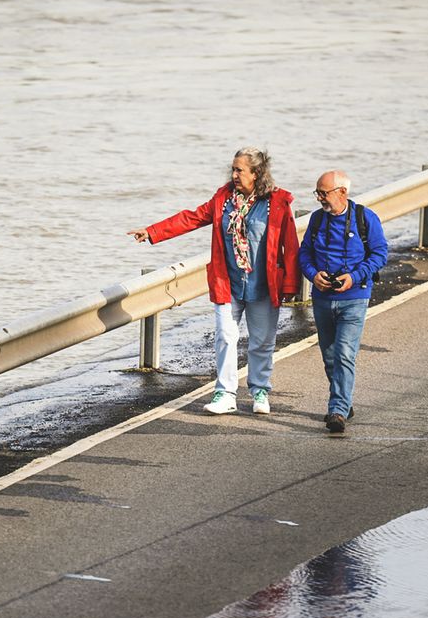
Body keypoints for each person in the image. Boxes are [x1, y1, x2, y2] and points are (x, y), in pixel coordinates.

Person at [127, 147, 299, 415]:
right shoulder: (223, 199)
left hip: (264, 285)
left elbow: (291, 245)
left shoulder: (277, 202)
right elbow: (191, 218)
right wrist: (152, 232)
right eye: (233, 169)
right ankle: (225, 393)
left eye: (239, 170)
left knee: (262, 341)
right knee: (226, 337)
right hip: (227, 282)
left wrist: (290, 285)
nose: (234, 174)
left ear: (256, 173)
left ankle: (260, 390)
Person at [298, 170, 388, 433]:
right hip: (322, 298)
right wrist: (314, 276)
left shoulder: (365, 218)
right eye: (318, 193)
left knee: (345, 354)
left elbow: (380, 254)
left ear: (342, 192)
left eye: (323, 193)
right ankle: (344, 401)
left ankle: (337, 410)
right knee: (329, 357)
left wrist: (355, 276)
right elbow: (304, 254)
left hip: (355, 297)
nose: (320, 199)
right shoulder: (316, 220)